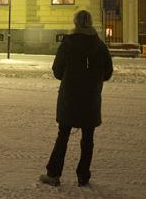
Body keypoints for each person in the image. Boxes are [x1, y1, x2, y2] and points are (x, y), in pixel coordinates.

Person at [40, 10, 113, 188]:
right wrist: (92, 80)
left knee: (63, 135)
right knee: (88, 139)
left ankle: (54, 174)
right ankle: (83, 176)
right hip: (91, 98)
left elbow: (57, 71)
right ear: (90, 23)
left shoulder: (68, 44)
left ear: (76, 23)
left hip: (69, 97)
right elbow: (108, 73)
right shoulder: (100, 46)